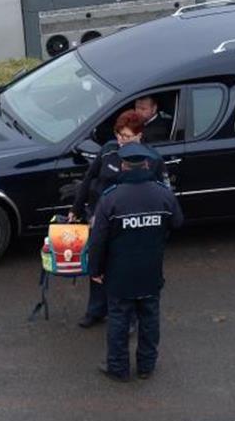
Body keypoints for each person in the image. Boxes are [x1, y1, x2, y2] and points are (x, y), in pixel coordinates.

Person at [88, 143, 183, 381]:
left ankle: (118, 368)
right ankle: (146, 367)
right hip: (151, 270)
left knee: (119, 320)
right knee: (149, 319)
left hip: (119, 274)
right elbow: (178, 222)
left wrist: (95, 270)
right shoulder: (163, 194)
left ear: (123, 166)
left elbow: (98, 240)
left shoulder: (111, 198)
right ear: (147, 164)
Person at [68, 110, 165, 328]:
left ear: (140, 135)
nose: (122, 141)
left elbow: (159, 194)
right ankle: (96, 310)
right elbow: (89, 179)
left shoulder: (151, 159)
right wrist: (76, 208)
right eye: (119, 135)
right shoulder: (108, 150)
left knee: (124, 272)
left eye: (127, 137)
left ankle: (128, 319)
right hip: (98, 220)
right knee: (97, 267)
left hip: (127, 226)